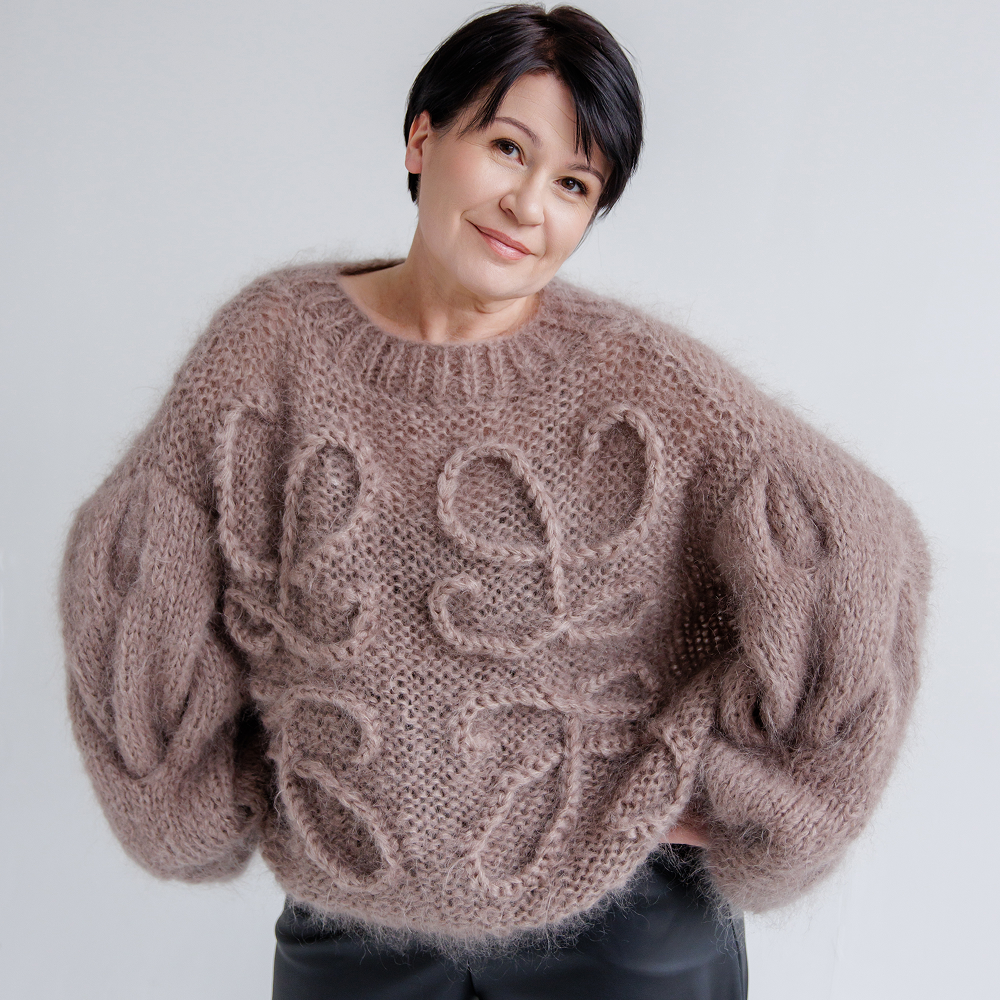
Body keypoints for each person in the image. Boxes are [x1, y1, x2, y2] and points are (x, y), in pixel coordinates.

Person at [58, 5, 931, 999]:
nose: (526, 204)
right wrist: (197, 797)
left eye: (573, 184)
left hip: (621, 929)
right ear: (423, 138)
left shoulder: (646, 380)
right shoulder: (269, 344)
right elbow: (137, 563)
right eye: (507, 148)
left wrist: (764, 801)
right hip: (351, 924)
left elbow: (853, 549)